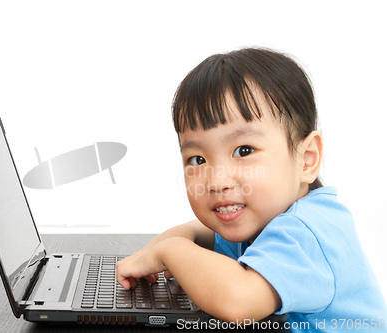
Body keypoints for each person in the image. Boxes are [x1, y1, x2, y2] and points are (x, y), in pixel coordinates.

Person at [116, 47, 387, 331]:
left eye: (244, 150)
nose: (217, 181)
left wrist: (171, 251)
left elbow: (238, 301)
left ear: (306, 159)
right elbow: (206, 234)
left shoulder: (308, 230)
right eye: (198, 159)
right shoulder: (262, 217)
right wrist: (162, 248)